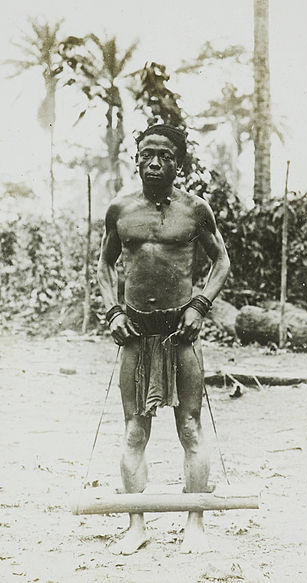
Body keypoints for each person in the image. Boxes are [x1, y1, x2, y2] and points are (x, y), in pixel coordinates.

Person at [97, 123, 230, 554]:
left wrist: (200, 305)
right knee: (135, 429)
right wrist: (113, 310)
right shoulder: (120, 209)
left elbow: (221, 262)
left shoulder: (195, 210)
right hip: (135, 333)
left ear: (179, 162)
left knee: (190, 428)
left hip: (181, 332)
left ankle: (196, 522)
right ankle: (135, 525)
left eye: (166, 156)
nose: (155, 163)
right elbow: (104, 265)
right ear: (136, 160)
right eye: (147, 155)